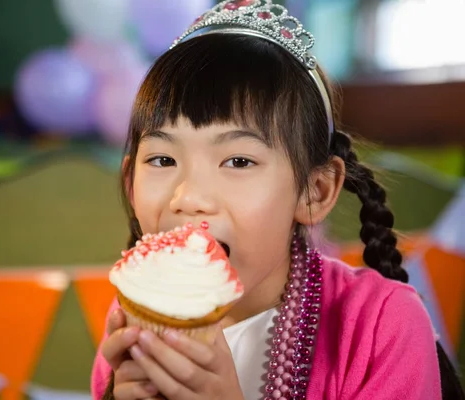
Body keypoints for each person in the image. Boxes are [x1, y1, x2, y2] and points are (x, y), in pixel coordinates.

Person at [90, 1, 464, 399]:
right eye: (163, 159)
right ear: (131, 182)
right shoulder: (134, 327)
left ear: (314, 192)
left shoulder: (384, 325)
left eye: (238, 160)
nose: (189, 197)